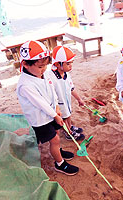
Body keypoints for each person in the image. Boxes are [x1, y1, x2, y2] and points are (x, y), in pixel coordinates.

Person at [16, 40, 79, 175]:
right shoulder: (25, 85)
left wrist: (56, 105)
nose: (44, 69)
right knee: (55, 139)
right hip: (40, 119)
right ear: (26, 64)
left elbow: (51, 90)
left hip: (51, 113)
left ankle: (57, 151)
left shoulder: (42, 74)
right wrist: (55, 115)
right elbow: (40, 103)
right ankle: (59, 163)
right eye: (40, 67)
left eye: (45, 66)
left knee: (56, 135)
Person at [47, 46, 85, 141]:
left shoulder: (66, 74)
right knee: (63, 118)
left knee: (68, 114)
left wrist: (79, 99)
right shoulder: (51, 77)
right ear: (58, 64)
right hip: (59, 104)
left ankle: (70, 126)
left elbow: (71, 88)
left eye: (71, 63)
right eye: (68, 64)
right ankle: (68, 133)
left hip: (67, 101)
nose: (70, 66)